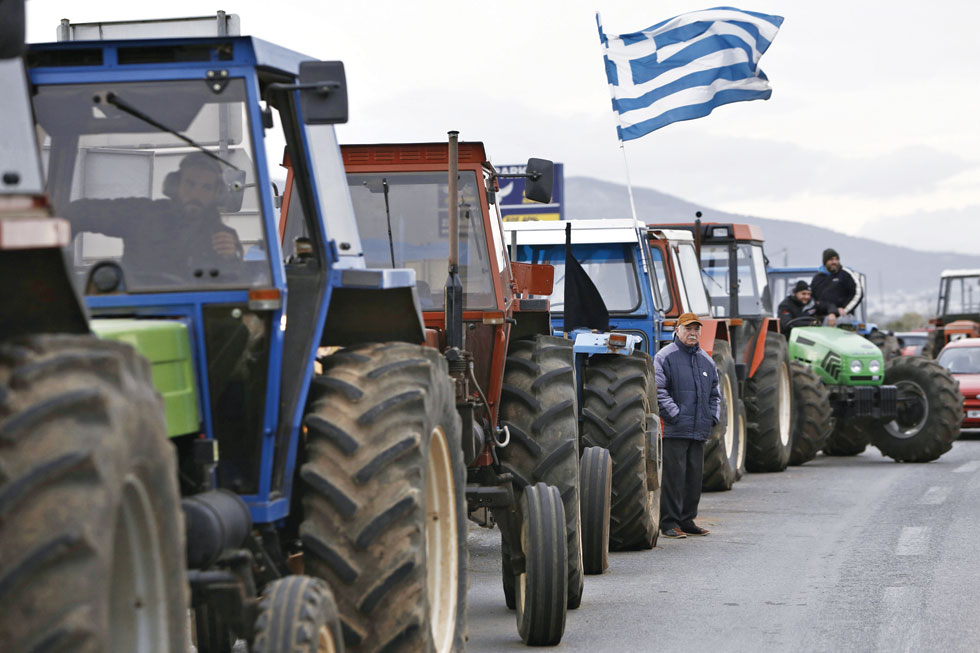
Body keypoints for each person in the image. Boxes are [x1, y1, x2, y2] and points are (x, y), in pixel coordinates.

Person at [65, 151, 243, 282]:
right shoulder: (141, 215)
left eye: (206, 188)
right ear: (175, 185)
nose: (196, 194)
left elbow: (237, 287)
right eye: (190, 184)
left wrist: (230, 259)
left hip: (195, 314)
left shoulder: (224, 237)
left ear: (216, 195)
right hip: (136, 310)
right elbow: (79, 212)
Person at [654, 312, 721, 539]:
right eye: (687, 329)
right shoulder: (665, 357)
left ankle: (687, 520)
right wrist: (675, 414)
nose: (692, 333)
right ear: (677, 330)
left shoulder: (706, 361)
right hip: (675, 428)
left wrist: (712, 417)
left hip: (699, 428)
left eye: (696, 330)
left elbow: (715, 394)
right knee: (674, 477)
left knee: (694, 477)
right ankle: (669, 523)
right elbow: (658, 390)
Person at [810, 248, 863, 318]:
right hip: (822, 316)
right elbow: (813, 298)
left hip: (843, 315)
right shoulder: (817, 278)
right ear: (825, 262)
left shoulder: (846, 274)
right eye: (831, 259)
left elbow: (858, 293)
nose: (834, 262)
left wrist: (845, 309)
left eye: (836, 259)